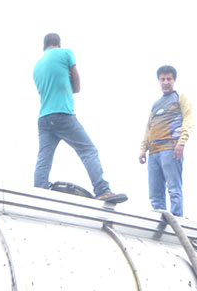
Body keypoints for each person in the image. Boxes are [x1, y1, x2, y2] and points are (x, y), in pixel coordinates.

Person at [32, 33, 127, 203]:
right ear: (59, 44)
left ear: (44, 46)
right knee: (88, 150)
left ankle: (39, 191)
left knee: (44, 157)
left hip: (44, 118)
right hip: (63, 114)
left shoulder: (36, 67)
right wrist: (72, 84)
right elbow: (76, 85)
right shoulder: (65, 53)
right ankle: (102, 190)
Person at [138, 65, 194, 218]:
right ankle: (159, 220)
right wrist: (143, 149)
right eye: (162, 79)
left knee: (174, 188)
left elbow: (188, 120)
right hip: (154, 152)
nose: (166, 82)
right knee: (155, 193)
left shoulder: (180, 98)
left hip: (170, 149)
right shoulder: (155, 105)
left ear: (174, 80)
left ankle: (177, 219)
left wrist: (181, 142)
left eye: (169, 79)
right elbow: (149, 127)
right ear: (159, 81)